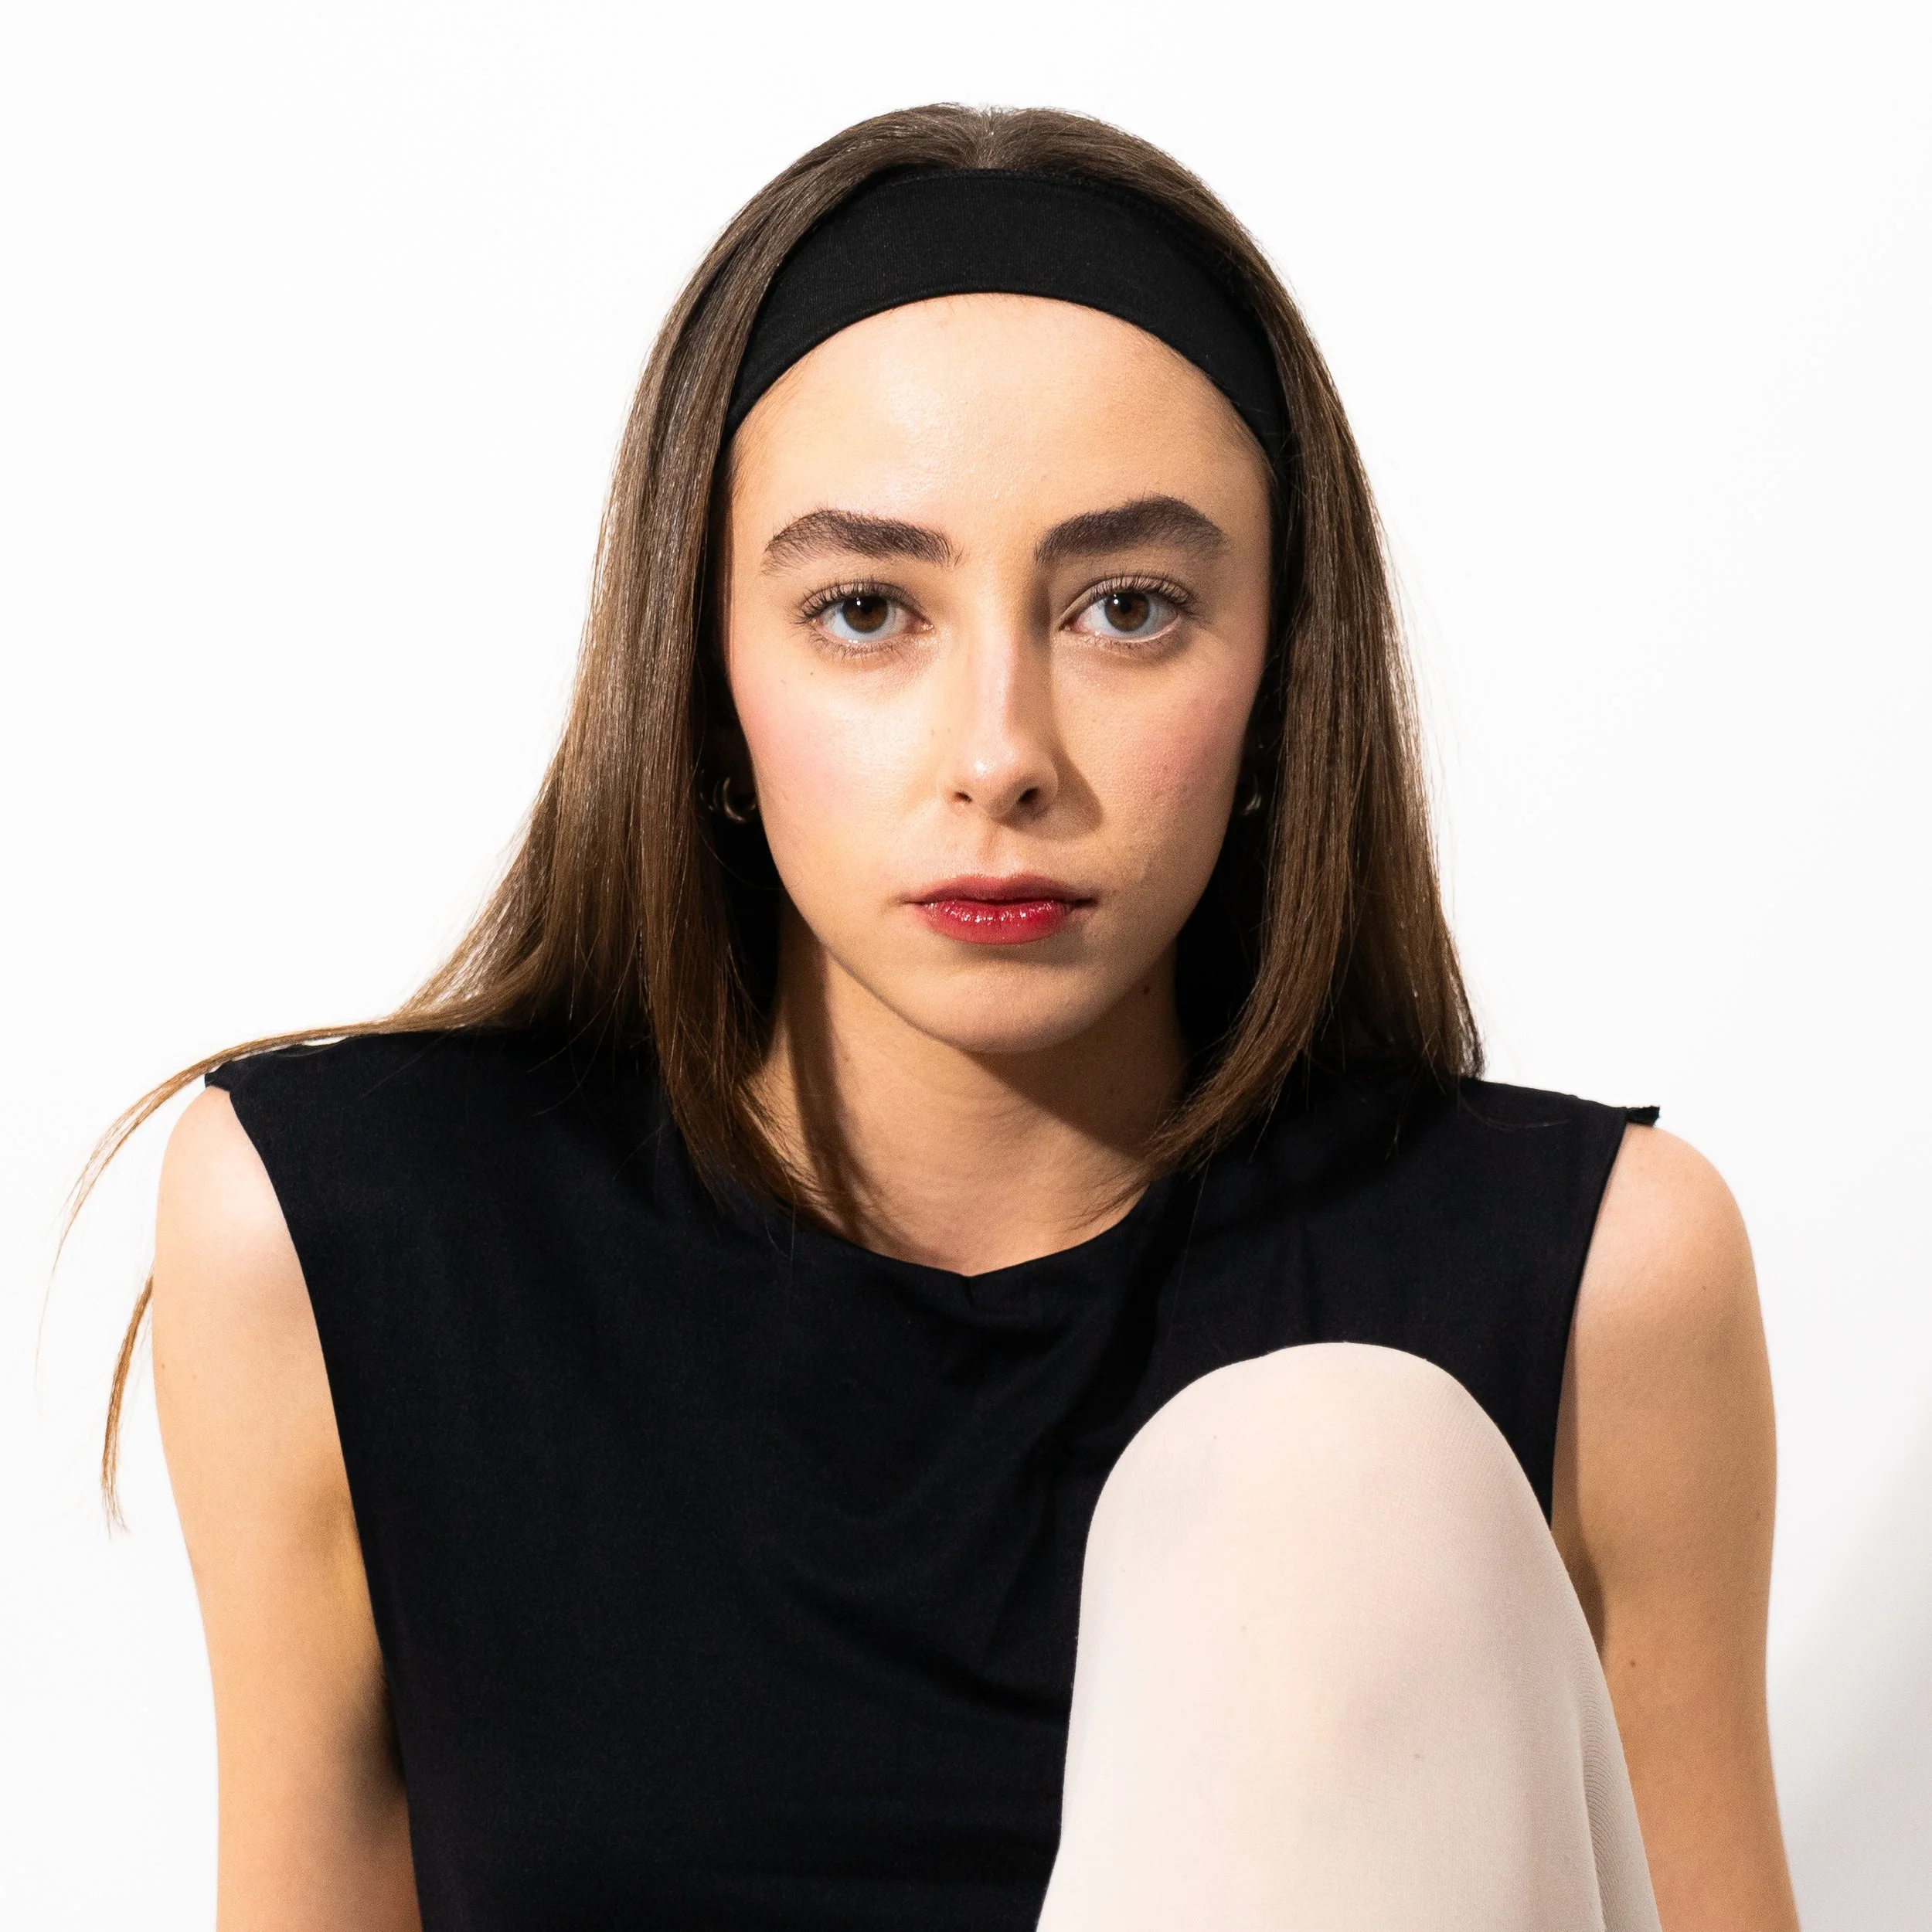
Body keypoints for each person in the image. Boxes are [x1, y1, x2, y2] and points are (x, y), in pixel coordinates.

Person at [96, 104, 1800, 1930]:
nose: (999, 754)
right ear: (703, 673)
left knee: (1333, 1471)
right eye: (863, 609)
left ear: (1278, 681)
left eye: (1127, 607)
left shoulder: (1600, 1276)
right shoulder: (344, 1230)